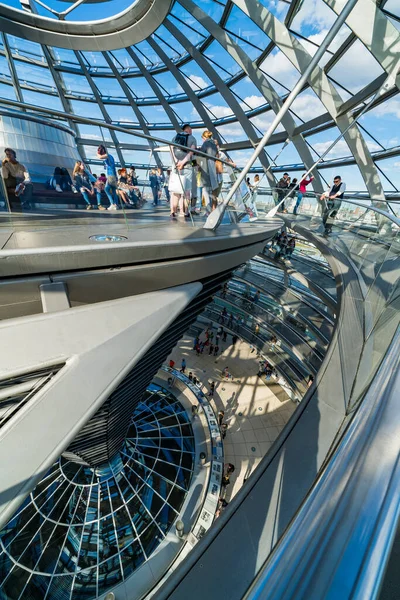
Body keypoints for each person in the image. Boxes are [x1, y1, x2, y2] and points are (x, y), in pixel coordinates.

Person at [170, 124, 197, 219]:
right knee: (187, 191)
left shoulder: (175, 137)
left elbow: (172, 150)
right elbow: (191, 153)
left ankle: (173, 211)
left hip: (177, 167)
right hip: (187, 167)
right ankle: (185, 212)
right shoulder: (192, 138)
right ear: (189, 129)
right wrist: (183, 162)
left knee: (176, 191)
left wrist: (177, 162)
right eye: (191, 129)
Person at [198, 130, 220, 213]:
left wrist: (193, 164)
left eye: (202, 138)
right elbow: (217, 155)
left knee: (206, 189)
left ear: (204, 137)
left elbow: (200, 156)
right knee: (213, 189)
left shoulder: (205, 143)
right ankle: (213, 209)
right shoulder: (214, 144)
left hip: (206, 168)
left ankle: (208, 210)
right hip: (213, 168)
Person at [97, 145, 119, 210]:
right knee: (114, 190)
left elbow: (100, 157)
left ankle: (112, 204)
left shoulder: (108, 156)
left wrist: (97, 153)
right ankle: (116, 205)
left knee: (106, 189)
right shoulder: (110, 157)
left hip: (111, 175)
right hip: (113, 175)